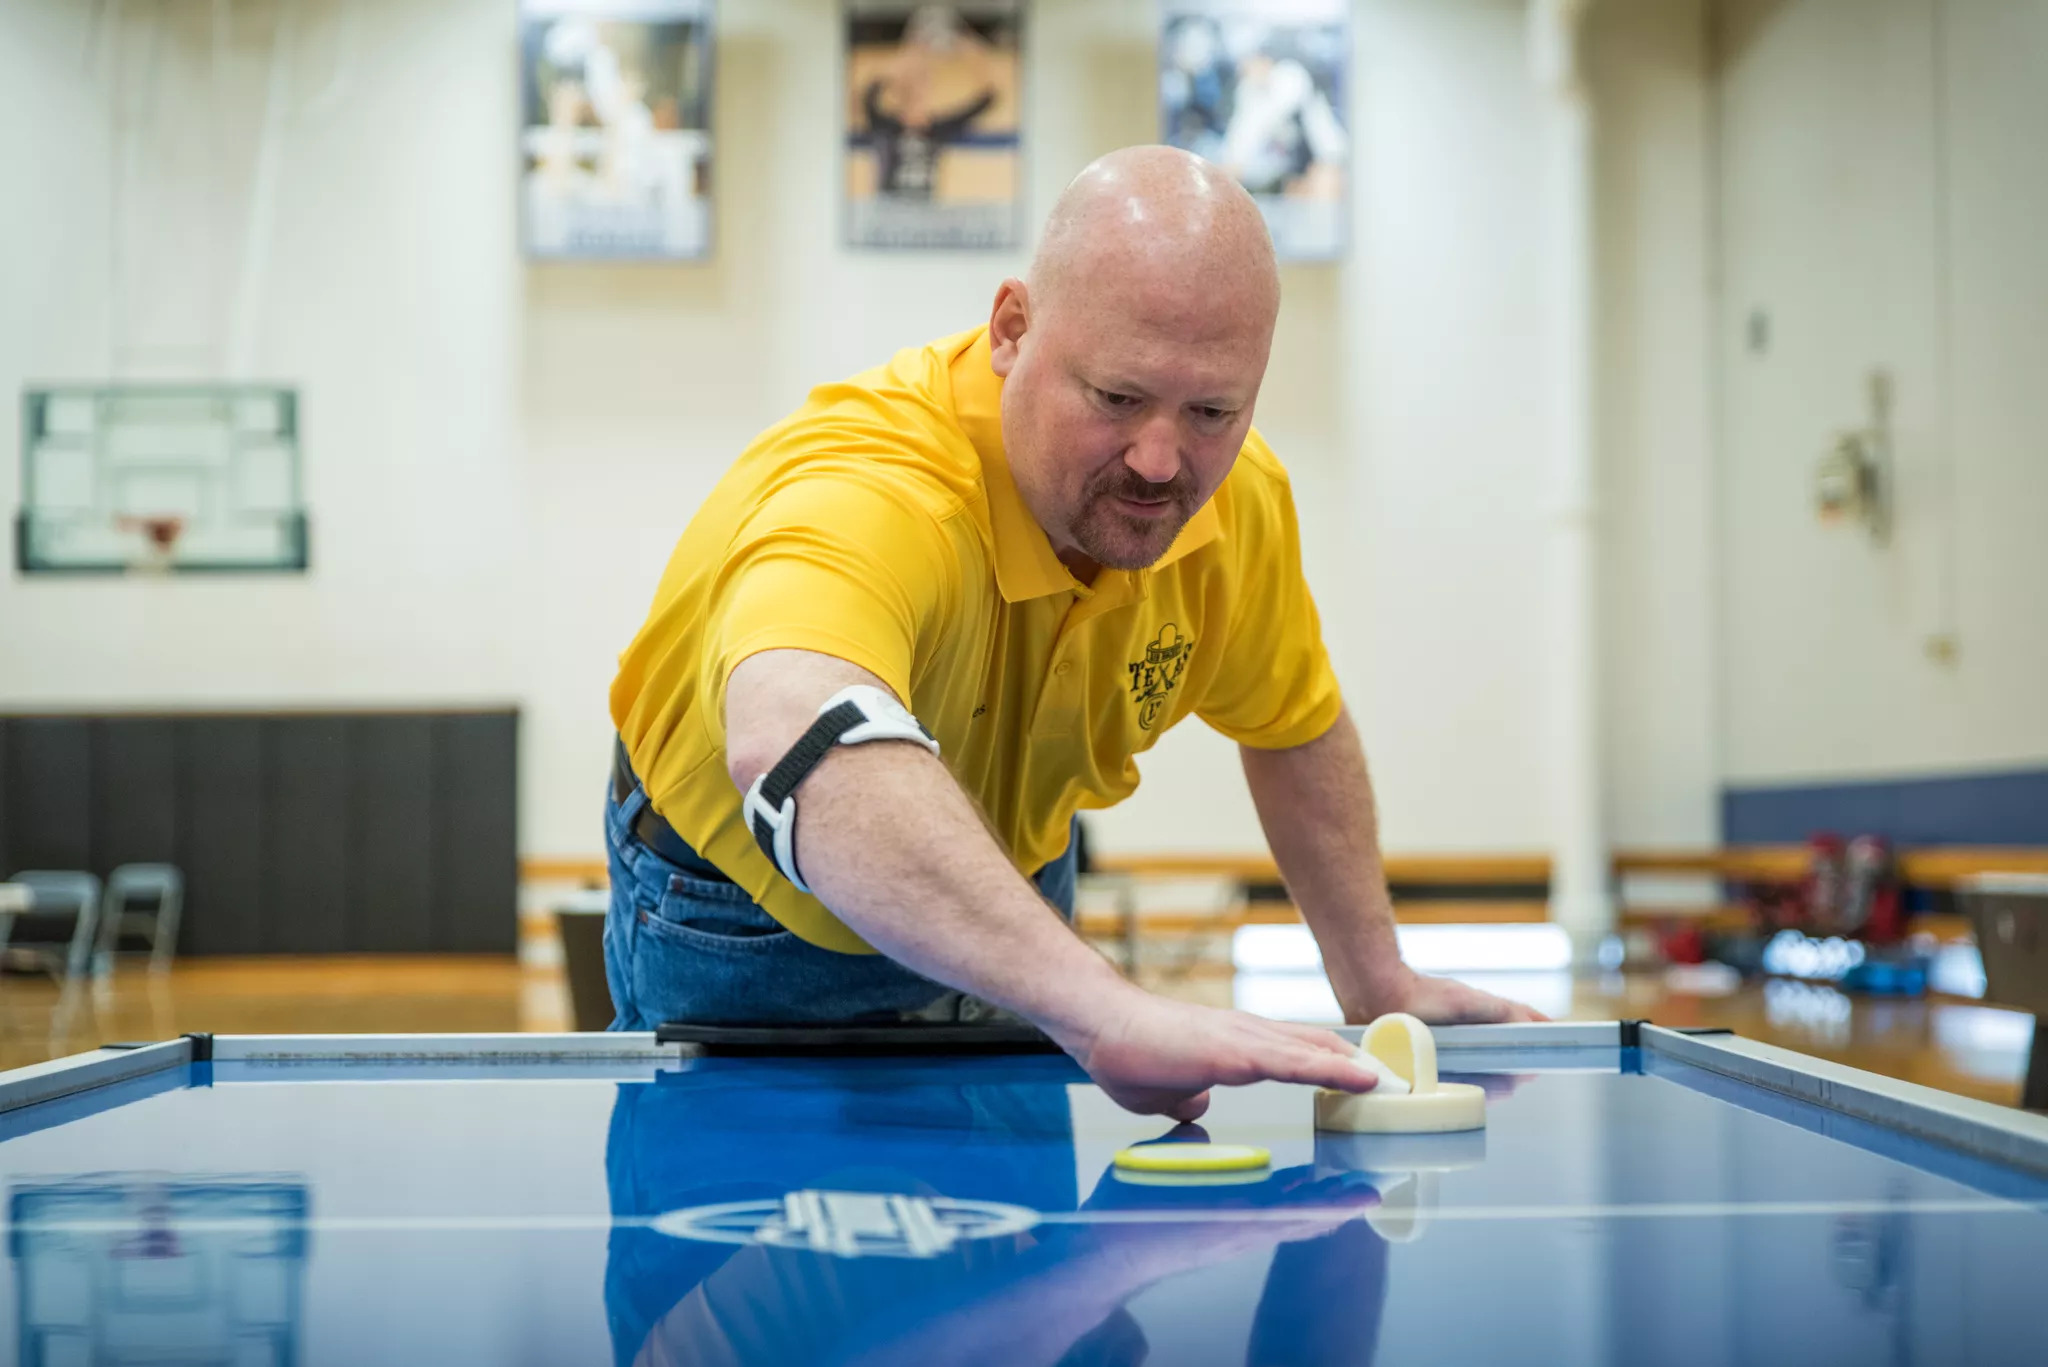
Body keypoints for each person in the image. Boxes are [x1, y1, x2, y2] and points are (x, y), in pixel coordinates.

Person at [604, 144, 1542, 1122]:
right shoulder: (876, 487)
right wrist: (1100, 1005)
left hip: (1011, 897)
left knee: (1027, 1250)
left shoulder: (1237, 506)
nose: (1158, 460)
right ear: (1012, 328)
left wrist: (1374, 976)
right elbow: (790, 733)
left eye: (1212, 409)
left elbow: (1292, 723)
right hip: (751, 923)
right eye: (1117, 397)